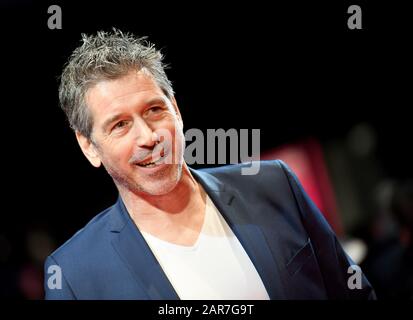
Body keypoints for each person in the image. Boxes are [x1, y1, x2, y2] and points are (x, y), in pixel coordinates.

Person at [44, 29, 375, 300]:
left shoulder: (274, 186)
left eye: (154, 110)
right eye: (120, 125)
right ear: (89, 146)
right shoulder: (75, 273)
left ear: (176, 109)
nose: (148, 137)